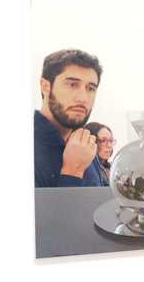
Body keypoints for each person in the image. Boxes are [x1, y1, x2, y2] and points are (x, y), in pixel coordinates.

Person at [34, 49, 106, 187]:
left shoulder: (86, 145)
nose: (83, 98)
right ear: (45, 86)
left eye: (91, 88)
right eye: (72, 85)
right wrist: (72, 171)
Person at [84, 122, 116, 186]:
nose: (109, 145)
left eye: (111, 140)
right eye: (103, 140)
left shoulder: (112, 168)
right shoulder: (87, 169)